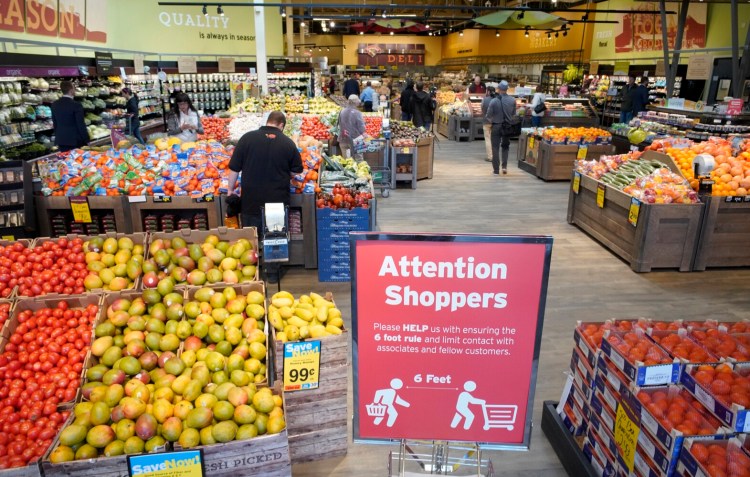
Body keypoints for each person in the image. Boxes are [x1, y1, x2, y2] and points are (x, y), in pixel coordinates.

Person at [226, 111, 303, 234]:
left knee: (252, 240)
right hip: (277, 203)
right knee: (275, 241)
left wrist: (230, 190)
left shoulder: (247, 138)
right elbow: (296, 171)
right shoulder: (288, 143)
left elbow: (234, 169)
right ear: (281, 125)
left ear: (268, 121)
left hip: (251, 203)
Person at [485, 80, 517, 175]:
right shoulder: (512, 100)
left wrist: (492, 121)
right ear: (507, 89)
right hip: (507, 126)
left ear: (498, 89)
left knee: (495, 147)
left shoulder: (494, 101)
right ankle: (504, 167)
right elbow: (513, 114)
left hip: (496, 125)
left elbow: (488, 115)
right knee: (505, 146)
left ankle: (496, 170)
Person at [51, 80, 89, 152]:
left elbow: (55, 124)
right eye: (74, 88)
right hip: (75, 140)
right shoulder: (76, 105)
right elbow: (80, 124)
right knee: (77, 161)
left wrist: (58, 137)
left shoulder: (55, 104)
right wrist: (86, 139)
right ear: (71, 90)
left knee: (66, 160)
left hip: (61, 140)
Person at [338, 95, 366, 160]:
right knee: (359, 160)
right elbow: (362, 128)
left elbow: (339, 124)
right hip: (356, 139)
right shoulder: (357, 113)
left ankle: (347, 170)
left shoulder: (342, 111)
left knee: (347, 160)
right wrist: (363, 132)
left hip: (343, 139)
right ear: (355, 103)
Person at [481, 86, 496, 162]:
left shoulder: (485, 100)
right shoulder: (497, 100)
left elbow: (482, 109)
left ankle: (490, 156)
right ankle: (495, 155)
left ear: (488, 92)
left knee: (488, 139)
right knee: (495, 139)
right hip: (495, 122)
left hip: (486, 121)